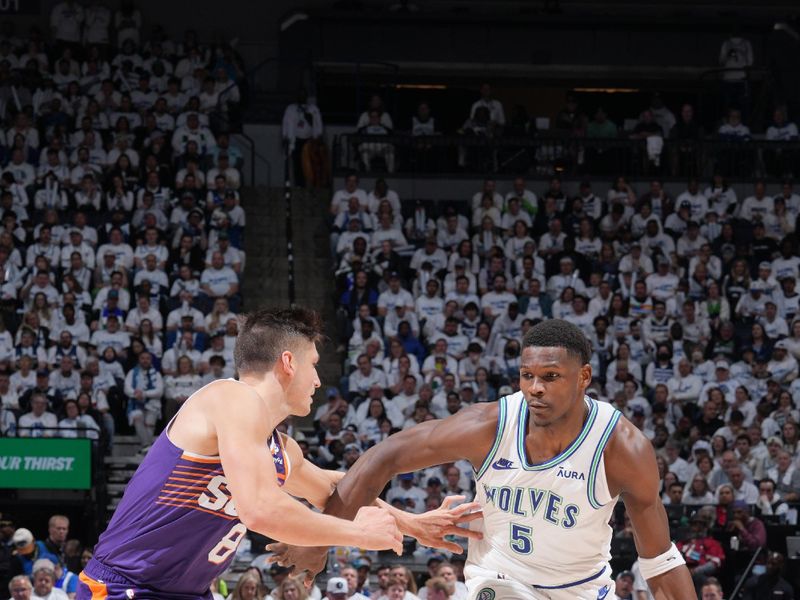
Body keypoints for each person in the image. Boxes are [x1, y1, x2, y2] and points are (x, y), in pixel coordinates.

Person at [271, 319, 694, 599]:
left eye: (550, 377)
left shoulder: (621, 447)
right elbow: (384, 457)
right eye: (527, 376)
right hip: (499, 580)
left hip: (581, 589)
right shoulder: (490, 426)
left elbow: (659, 559)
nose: (535, 389)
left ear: (583, 377)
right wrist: (321, 540)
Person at [77, 308, 472, 600]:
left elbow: (337, 487)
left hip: (187, 591)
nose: (318, 380)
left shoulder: (279, 447)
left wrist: (411, 523)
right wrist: (359, 534)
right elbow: (261, 509)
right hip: (124, 586)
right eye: (314, 365)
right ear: (288, 362)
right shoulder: (230, 397)